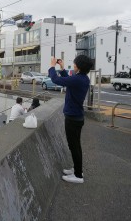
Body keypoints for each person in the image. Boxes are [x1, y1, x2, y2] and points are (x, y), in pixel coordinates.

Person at [49, 55, 93, 184]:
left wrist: (52, 66)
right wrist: (62, 68)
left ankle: (78, 176)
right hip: (77, 117)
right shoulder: (83, 78)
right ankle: (77, 170)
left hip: (73, 118)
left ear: (78, 66)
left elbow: (56, 80)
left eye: (74, 64)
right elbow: (68, 80)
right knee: (75, 146)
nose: (73, 65)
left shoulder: (78, 79)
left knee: (73, 146)